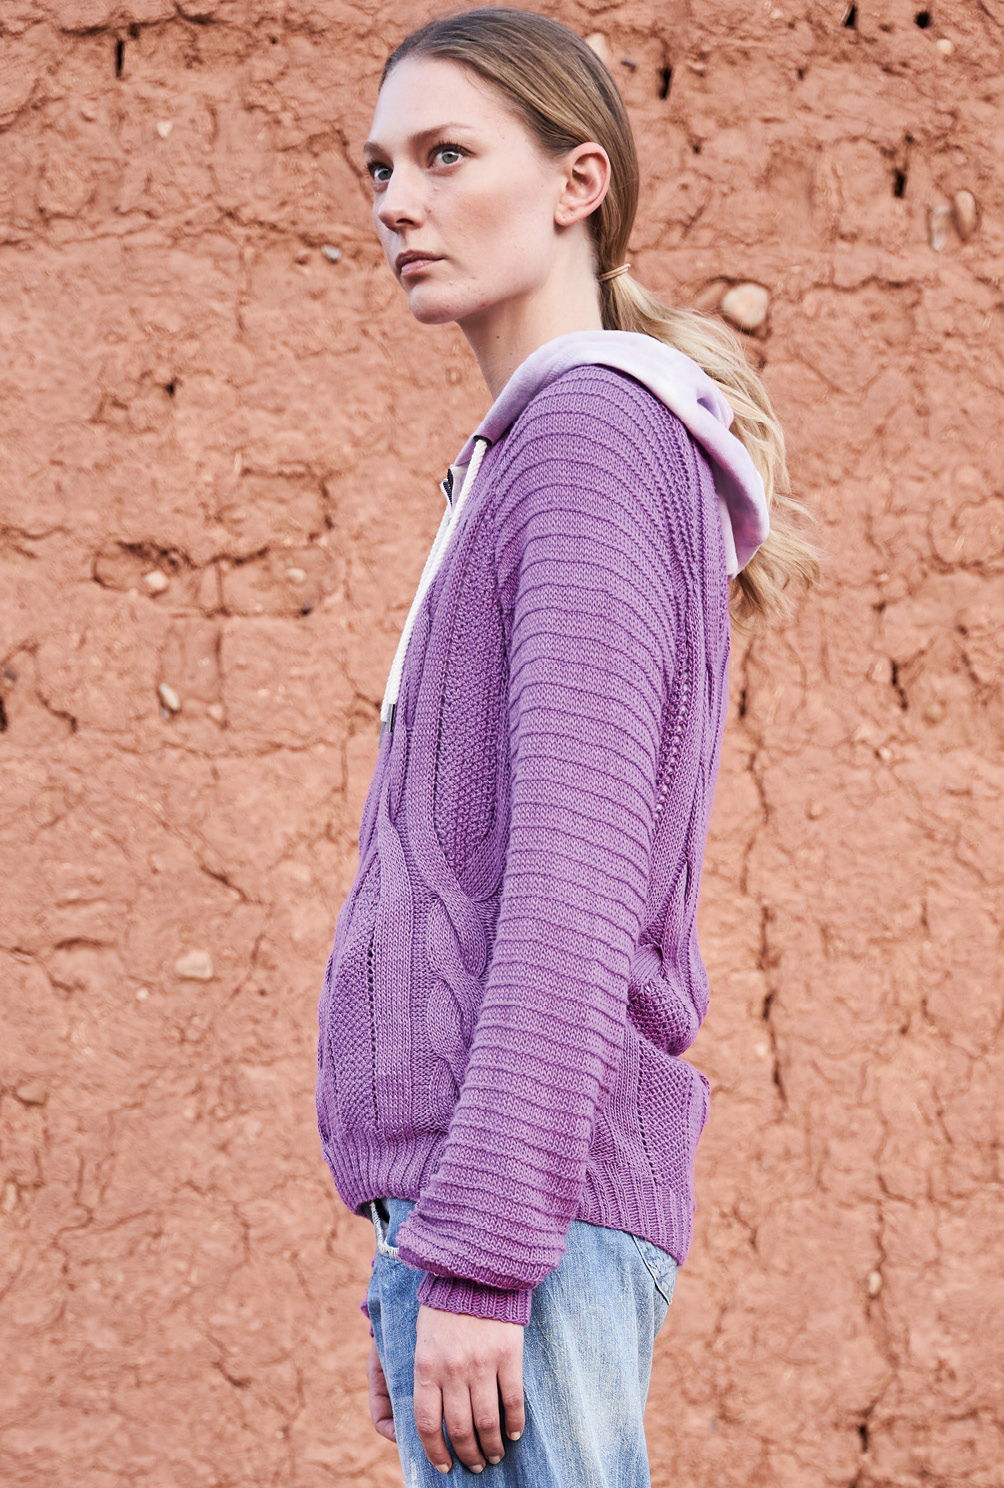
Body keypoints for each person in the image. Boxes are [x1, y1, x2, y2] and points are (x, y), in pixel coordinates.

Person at [315, 8, 821, 1484]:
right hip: (496, 1218)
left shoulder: (592, 437)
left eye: (445, 155)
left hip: (526, 1230)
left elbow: (572, 886)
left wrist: (478, 1259)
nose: (396, 201)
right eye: (379, 167)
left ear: (577, 182)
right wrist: (426, 1252)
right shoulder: (539, 449)